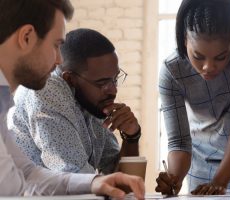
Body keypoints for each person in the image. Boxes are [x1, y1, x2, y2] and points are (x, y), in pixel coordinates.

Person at [0, 0, 144, 198]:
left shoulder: (3, 101)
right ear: (26, 37)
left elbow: (27, 175)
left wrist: (95, 181)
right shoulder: (49, 89)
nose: (59, 60)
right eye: (56, 45)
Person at [155, 0, 230, 195]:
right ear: (185, 40)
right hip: (202, 163)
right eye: (198, 56)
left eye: (221, 57)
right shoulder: (171, 71)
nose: (208, 67)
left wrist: (220, 181)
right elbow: (179, 142)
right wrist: (174, 179)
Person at [7, 28, 141, 174]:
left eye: (115, 79)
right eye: (102, 83)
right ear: (70, 79)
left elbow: (122, 182)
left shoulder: (93, 103)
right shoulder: (46, 92)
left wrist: (131, 136)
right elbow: (78, 182)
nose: (113, 90)